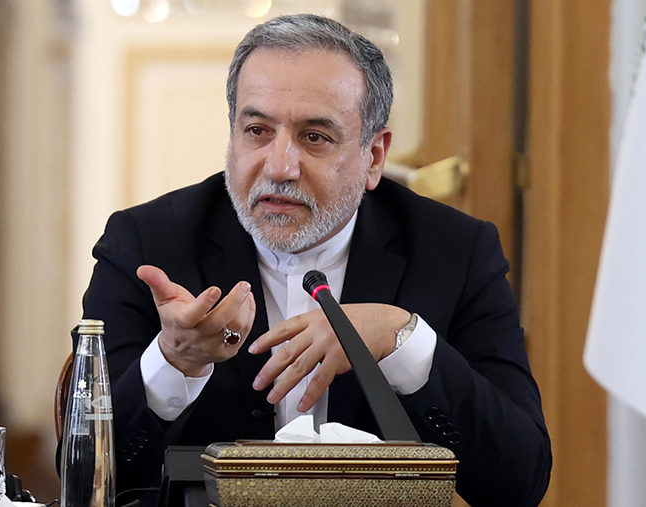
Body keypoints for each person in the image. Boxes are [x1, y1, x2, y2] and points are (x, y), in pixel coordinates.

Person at [76, 13, 550, 507]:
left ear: (374, 157)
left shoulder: (455, 251)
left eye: (314, 137)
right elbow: (87, 479)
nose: (280, 166)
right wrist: (175, 362)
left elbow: (519, 482)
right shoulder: (147, 247)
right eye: (257, 130)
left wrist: (400, 338)